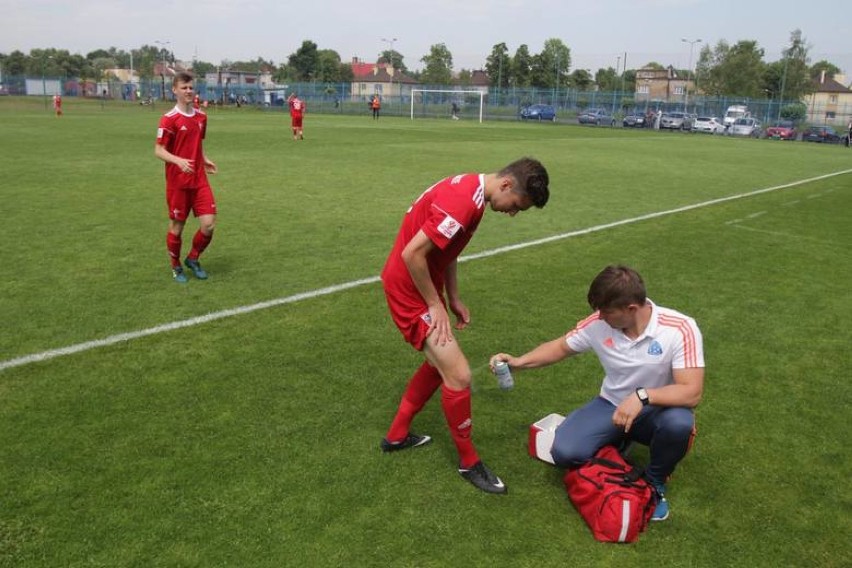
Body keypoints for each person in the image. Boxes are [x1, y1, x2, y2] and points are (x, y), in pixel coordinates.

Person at [381, 158, 551, 494]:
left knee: (440, 363)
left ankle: (397, 435)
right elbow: (412, 254)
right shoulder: (463, 205)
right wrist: (433, 303)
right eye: (517, 205)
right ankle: (468, 462)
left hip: (422, 284)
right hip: (409, 288)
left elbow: (447, 249)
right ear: (505, 185)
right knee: (459, 374)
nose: (513, 213)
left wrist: (453, 297)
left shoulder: (473, 194)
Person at [489, 265, 705, 520]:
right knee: (564, 452)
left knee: (679, 423)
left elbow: (691, 392)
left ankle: (654, 482)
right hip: (611, 404)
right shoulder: (598, 323)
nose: (600, 317)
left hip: (657, 410)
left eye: (606, 311)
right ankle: (619, 439)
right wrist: (518, 362)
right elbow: (560, 347)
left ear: (631, 309)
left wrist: (642, 397)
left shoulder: (679, 328)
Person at [154, 72, 219, 284]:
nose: (189, 91)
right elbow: (159, 150)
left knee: (208, 224)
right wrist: (178, 161)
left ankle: (193, 258)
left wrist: (204, 159)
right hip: (178, 183)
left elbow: (196, 145)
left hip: (199, 180)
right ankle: (176, 266)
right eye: (184, 87)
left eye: (191, 87)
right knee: (177, 228)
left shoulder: (201, 117)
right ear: (175, 90)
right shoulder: (169, 119)